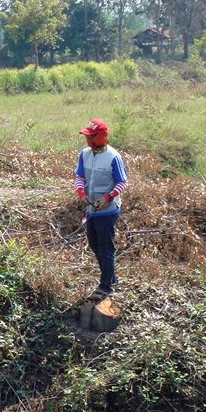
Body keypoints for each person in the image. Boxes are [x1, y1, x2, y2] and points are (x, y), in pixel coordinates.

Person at [74, 119, 128, 300]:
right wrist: (81, 192)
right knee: (94, 244)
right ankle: (111, 276)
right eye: (87, 137)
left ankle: (106, 286)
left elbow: (122, 182)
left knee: (106, 248)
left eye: (91, 137)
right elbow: (79, 176)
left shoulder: (114, 157)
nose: (88, 141)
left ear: (102, 137)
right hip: (92, 209)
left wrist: (108, 198)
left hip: (109, 209)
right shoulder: (84, 154)